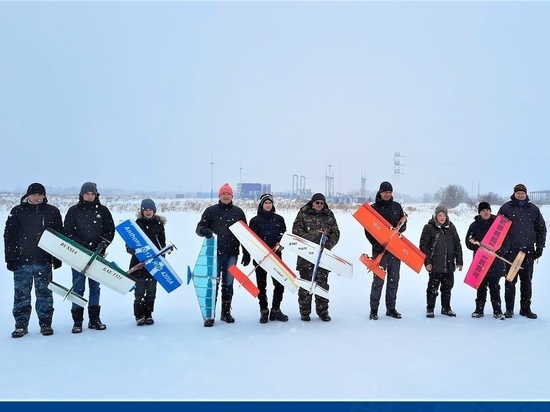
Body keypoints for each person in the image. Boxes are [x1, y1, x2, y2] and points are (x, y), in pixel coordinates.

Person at [4, 183, 63, 338]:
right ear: (28, 195)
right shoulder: (17, 212)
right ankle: (21, 325)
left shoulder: (52, 212)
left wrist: (57, 257)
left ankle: (46, 324)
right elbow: (9, 237)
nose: (37, 197)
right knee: (21, 295)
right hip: (21, 262)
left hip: (43, 261)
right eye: (34, 194)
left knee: (44, 294)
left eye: (40, 194)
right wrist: (10, 258)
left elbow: (59, 237)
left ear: (44, 196)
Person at [195, 183, 250, 327]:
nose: (226, 196)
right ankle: (209, 315)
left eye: (228, 194)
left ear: (232, 196)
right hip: (213, 254)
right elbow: (199, 227)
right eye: (223, 194)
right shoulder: (211, 211)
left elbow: (245, 235)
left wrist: (246, 252)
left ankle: (225, 312)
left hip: (232, 254)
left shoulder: (238, 212)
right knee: (212, 283)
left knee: (228, 283)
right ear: (219, 196)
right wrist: (204, 231)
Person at [64, 182, 115, 333]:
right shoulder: (74, 211)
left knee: (95, 288)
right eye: (87, 193)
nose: (90, 196)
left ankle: (94, 319)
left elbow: (110, 231)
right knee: (78, 288)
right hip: (77, 255)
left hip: (97, 255)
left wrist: (102, 244)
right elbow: (67, 231)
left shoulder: (103, 211)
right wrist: (82, 244)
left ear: (96, 195)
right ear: (81, 194)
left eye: (92, 194)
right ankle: (77, 321)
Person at [497, 184, 546, 319]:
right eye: (518, 193)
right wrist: (501, 248)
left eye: (522, 193)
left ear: (526, 194)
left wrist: (540, 247)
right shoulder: (506, 208)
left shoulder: (533, 209)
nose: (520, 195)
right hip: (511, 251)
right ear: (514, 194)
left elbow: (541, 229)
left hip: (528, 251)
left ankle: (526, 309)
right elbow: (497, 229)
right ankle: (509, 309)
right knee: (510, 280)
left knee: (526, 281)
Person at [292, 192, 340, 322]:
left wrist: (328, 244)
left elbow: (336, 232)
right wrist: (312, 238)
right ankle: (305, 311)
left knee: (322, 285)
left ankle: (323, 311)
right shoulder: (303, 213)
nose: (319, 205)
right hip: (306, 255)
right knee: (306, 285)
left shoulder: (329, 215)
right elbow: (296, 230)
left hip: (323, 256)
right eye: (317, 202)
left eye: (322, 203)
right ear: (312, 203)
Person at [364, 181, 406, 320]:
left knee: (394, 279)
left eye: (389, 192)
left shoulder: (397, 206)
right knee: (378, 280)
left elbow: (402, 226)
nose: (387, 194)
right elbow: (368, 229)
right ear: (380, 192)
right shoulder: (374, 208)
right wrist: (376, 244)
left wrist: (403, 225)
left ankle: (391, 308)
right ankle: (374, 310)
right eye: (385, 192)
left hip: (395, 249)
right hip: (380, 250)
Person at [249, 194, 288, 323]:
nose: (268, 205)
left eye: (270, 203)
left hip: (275, 256)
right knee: (261, 285)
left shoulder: (279, 219)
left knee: (279, 283)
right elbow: (250, 239)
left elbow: (284, 236)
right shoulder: (254, 221)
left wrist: (281, 245)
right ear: (261, 204)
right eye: (265, 203)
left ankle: (276, 310)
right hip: (260, 257)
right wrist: (248, 254)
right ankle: (264, 310)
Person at [125, 199, 165, 326]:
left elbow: (162, 243)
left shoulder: (159, 224)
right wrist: (130, 249)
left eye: (150, 210)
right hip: (138, 263)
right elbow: (129, 242)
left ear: (154, 211)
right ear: (142, 211)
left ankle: (148, 314)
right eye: (146, 210)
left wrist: (162, 253)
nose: (148, 212)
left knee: (151, 291)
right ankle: (139, 315)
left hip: (154, 263)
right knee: (139, 291)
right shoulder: (136, 224)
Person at [419, 204, 463, 318]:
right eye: (440, 215)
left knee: (447, 288)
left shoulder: (451, 227)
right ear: (436, 216)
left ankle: (446, 308)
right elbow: (423, 246)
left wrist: (459, 261)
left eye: (444, 215)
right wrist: (427, 262)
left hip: (449, 265)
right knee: (432, 288)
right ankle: (430, 308)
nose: (442, 217)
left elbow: (457, 244)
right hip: (435, 265)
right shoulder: (429, 228)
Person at [465, 202, 507, 320]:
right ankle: (479, 310)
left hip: (495, 261)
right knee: (481, 286)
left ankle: (497, 311)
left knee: (495, 286)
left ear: (490, 210)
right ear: (479, 212)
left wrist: (501, 251)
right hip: (481, 261)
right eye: (483, 210)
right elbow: (468, 241)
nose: (485, 212)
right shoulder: (474, 225)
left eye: (487, 210)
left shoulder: (498, 224)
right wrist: (474, 244)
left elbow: (506, 240)